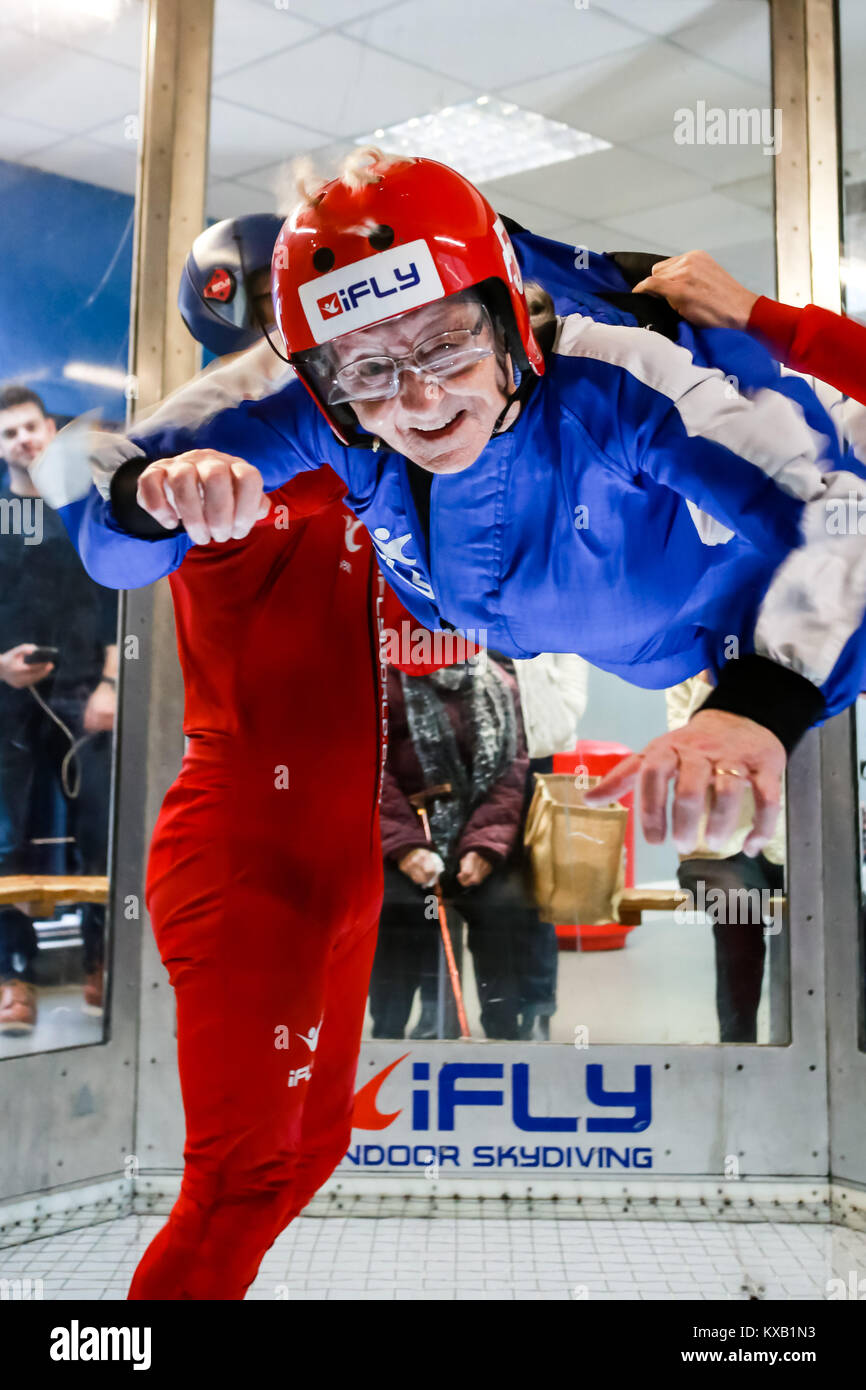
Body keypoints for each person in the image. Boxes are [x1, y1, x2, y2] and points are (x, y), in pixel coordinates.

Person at [60, 149, 866, 869]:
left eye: (447, 344)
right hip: (524, 613)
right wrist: (149, 498)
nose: (420, 399)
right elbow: (97, 479)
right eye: (371, 370)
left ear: (512, 317)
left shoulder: (622, 372)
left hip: (714, 609)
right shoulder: (316, 382)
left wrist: (763, 706)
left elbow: (845, 511)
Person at [36, 215, 413, 1300]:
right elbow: (116, 517)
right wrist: (157, 488)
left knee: (313, 1147)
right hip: (246, 853)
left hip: (341, 863)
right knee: (238, 1180)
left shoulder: (362, 444)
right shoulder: (206, 447)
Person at [0, 385, 115, 1034]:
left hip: (84, 699)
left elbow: (119, 606)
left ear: (48, 428)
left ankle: (103, 963)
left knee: (101, 836)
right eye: (8, 434)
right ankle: (13, 976)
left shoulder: (87, 508)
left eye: (30, 428)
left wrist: (110, 685)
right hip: (6, 704)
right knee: (4, 841)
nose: (23, 440)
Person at [371, 647, 541, 1041]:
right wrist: (405, 847)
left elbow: (512, 774)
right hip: (404, 843)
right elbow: (373, 772)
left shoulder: (501, 684)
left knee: (506, 907)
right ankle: (386, 1037)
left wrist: (482, 848)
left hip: (476, 839)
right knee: (396, 910)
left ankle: (506, 1035)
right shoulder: (384, 681)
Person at [666, 672, 786, 1043]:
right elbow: (690, 749)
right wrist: (710, 683)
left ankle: (848, 1043)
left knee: (845, 910)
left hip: (792, 838)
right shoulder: (686, 665)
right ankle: (739, 1052)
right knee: (737, 912)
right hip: (716, 846)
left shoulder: (791, 656)